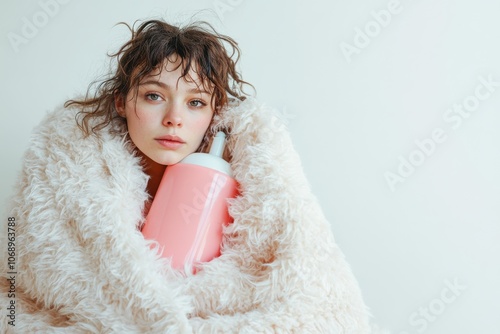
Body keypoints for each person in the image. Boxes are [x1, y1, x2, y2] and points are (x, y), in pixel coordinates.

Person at [0, 19, 380, 333]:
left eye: (195, 102)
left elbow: (316, 290)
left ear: (214, 113)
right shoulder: (67, 166)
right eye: (154, 96)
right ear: (121, 101)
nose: (174, 118)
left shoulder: (245, 177)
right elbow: (21, 280)